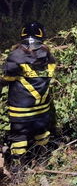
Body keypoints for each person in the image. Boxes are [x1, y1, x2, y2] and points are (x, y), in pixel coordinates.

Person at [1, 22, 56, 172]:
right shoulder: (49, 57)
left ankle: (18, 170)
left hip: (21, 110)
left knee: (19, 138)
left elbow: (7, 78)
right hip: (42, 110)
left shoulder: (16, 55)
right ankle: (43, 163)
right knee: (42, 134)